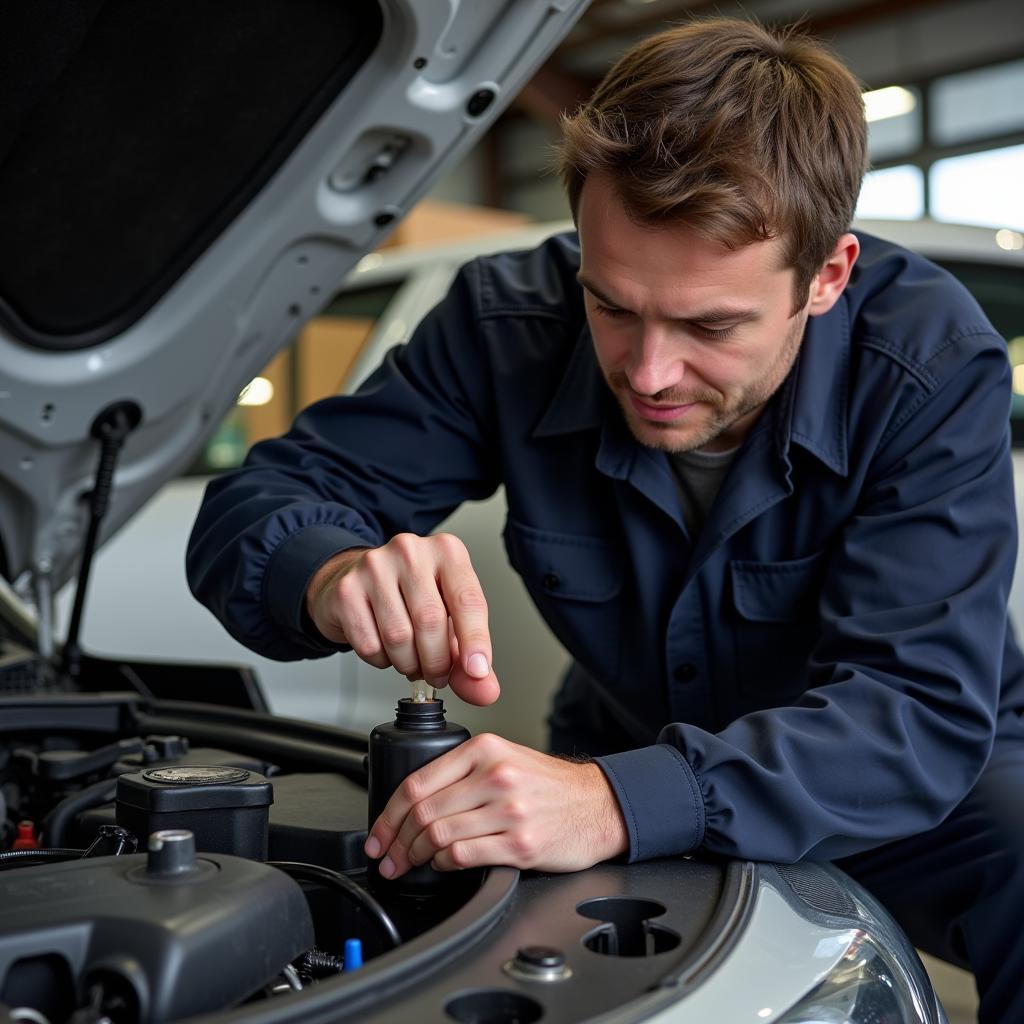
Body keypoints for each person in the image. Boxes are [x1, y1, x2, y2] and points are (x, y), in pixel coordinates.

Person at [187, 18, 1024, 1021]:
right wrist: (333, 573)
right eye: (613, 306)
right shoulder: (508, 327)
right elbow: (253, 505)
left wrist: (614, 801)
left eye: (710, 325)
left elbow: (910, 709)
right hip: (627, 743)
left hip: (900, 774)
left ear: (828, 276)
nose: (648, 372)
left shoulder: (926, 361)